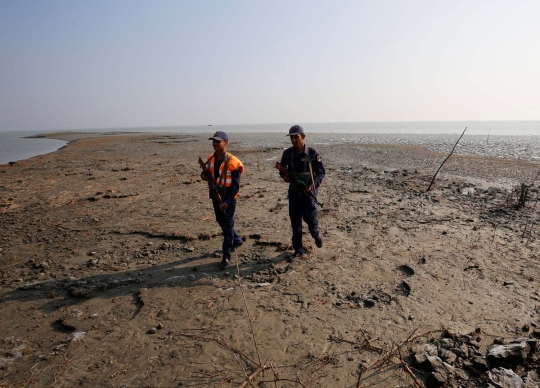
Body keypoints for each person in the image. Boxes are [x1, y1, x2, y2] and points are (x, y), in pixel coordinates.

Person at [278, 125, 325, 262]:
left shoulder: (312, 153)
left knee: (311, 218)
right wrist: (284, 176)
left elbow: (321, 172)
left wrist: (313, 185)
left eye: (296, 137)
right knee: (295, 222)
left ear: (303, 137)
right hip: (294, 193)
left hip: (308, 193)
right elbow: (282, 169)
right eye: (291, 137)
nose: (293, 140)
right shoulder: (287, 153)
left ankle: (316, 234)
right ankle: (298, 250)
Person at [200, 131, 244, 270]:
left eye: (218, 141)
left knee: (228, 225)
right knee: (220, 220)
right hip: (215, 195)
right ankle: (236, 239)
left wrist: (229, 201)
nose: (215, 144)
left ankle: (226, 256)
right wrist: (204, 176)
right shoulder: (211, 159)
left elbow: (236, 186)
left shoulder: (234, 162)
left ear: (225, 143)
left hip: (228, 197)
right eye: (213, 141)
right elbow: (205, 174)